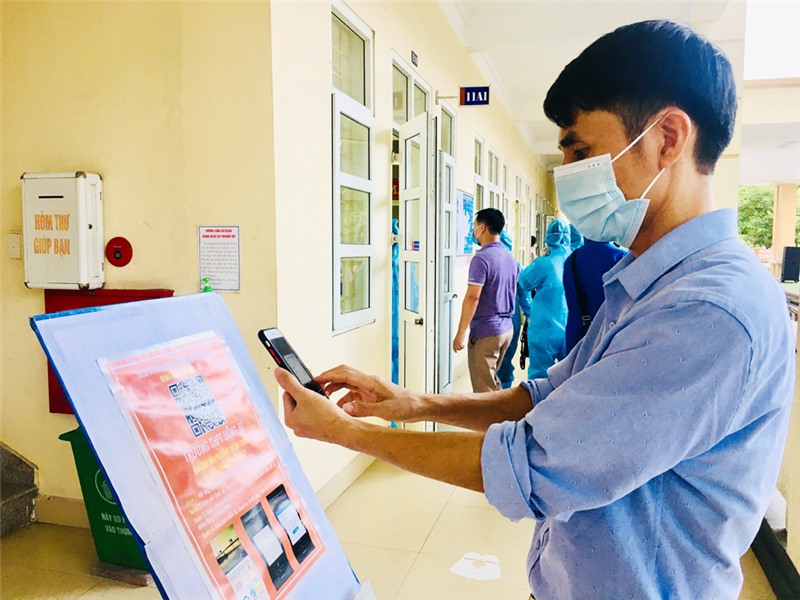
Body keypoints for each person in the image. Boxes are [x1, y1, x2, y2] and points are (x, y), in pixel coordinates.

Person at [275, 20, 795, 600]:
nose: (566, 172)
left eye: (581, 150)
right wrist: (414, 403)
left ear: (667, 139)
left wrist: (347, 433)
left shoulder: (708, 310)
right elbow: (545, 398)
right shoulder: (649, 283)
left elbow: (536, 465)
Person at [451, 208, 519, 392]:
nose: (473, 230)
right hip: (506, 330)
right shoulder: (510, 258)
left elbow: (473, 297)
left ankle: (494, 413)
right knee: (492, 382)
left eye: (474, 226)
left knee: (483, 392)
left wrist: (461, 333)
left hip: (487, 333)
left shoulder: (481, 259)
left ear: (482, 227)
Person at [518, 219, 570, 379]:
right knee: (569, 374)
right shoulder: (577, 260)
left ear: (549, 237)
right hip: (571, 328)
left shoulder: (543, 264)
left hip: (544, 329)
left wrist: (527, 309)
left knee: (539, 376)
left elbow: (523, 282)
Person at [563, 234, 627, 353]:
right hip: (612, 335)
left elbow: (571, 299)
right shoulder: (622, 257)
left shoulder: (572, 260)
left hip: (579, 333)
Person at [496, 230, 531, 389]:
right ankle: (504, 391)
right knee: (506, 356)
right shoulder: (516, 265)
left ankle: (490, 395)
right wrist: (530, 315)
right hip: (511, 319)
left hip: (490, 321)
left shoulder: (486, 262)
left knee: (488, 361)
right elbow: (525, 295)